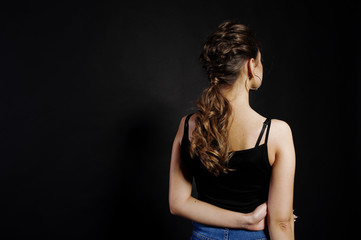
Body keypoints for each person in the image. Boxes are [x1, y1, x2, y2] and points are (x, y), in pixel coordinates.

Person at [169, 20, 296, 240]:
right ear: (250, 65)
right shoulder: (277, 133)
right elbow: (282, 222)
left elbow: (178, 203)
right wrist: (248, 221)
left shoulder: (188, 125)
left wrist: (246, 221)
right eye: (260, 61)